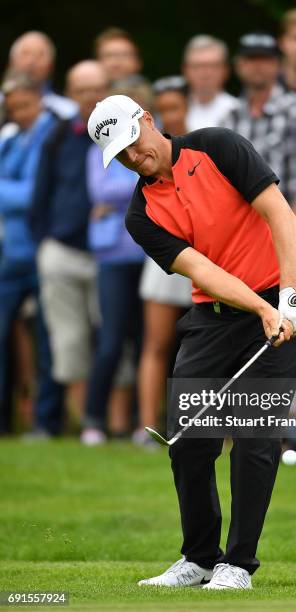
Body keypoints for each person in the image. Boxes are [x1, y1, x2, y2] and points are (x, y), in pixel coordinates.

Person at [88, 94, 296, 589]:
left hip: (281, 300)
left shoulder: (218, 146)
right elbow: (203, 269)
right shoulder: (140, 214)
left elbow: (280, 215)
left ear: (148, 120)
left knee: (254, 438)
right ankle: (199, 557)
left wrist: (288, 295)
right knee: (188, 440)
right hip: (215, 314)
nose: (132, 157)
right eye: (120, 155)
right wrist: (258, 308)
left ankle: (238, 564)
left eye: (132, 142)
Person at [30, 61, 108, 418]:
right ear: (70, 93)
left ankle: (114, 421)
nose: (90, 96)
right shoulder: (59, 134)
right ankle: (85, 426)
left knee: (112, 339)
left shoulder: (126, 131)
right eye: (82, 90)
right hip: (61, 249)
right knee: (69, 341)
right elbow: (41, 192)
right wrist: (43, 242)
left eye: (97, 88)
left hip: (110, 254)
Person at [81, 83, 146, 446]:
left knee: (145, 342)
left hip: (151, 259)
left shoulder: (152, 140)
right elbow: (100, 191)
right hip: (112, 257)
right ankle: (93, 419)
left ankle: (143, 421)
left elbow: (147, 177)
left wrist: (122, 186)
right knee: (110, 340)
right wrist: (137, 180)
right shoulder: (98, 148)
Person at [0, 73, 63, 436]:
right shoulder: (12, 139)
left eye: (24, 105)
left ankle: (46, 421)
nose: (19, 113)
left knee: (45, 340)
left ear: (39, 100)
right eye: (13, 109)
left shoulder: (49, 135)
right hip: (12, 254)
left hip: (40, 250)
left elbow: (31, 196)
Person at [133, 76, 192, 448]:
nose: (172, 113)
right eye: (164, 107)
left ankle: (220, 429)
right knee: (157, 343)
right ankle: (146, 427)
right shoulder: (144, 154)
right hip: (165, 255)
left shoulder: (204, 143)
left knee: (210, 344)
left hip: (209, 254)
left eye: (177, 106)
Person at [222, 33, 296, 204]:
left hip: (293, 216)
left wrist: (293, 221)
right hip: (244, 223)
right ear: (239, 65)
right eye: (251, 59)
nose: (258, 66)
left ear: (279, 65)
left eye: (265, 59)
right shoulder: (229, 117)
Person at [6, 31, 77, 119]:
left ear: (51, 65)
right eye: (25, 54)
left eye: (40, 55)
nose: (31, 61)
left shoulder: (67, 112)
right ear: (11, 62)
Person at [182, 35, 238, 130]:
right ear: (185, 70)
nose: (205, 73)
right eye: (197, 66)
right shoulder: (173, 111)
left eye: (212, 66)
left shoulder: (237, 111)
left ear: (225, 70)